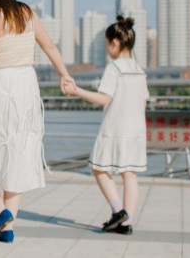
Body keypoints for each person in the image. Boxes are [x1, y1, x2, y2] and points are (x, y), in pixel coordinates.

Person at [0, 0, 74, 244]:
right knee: (18, 152)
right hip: (28, 85)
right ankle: (8, 227)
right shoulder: (26, 12)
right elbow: (50, 46)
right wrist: (65, 74)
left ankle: (1, 211)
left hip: (3, 85)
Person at [62, 16, 148, 235]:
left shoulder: (114, 68)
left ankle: (118, 211)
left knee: (98, 168)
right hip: (136, 130)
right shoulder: (139, 70)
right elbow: (143, 101)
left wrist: (76, 91)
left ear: (114, 43)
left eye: (106, 44)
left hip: (114, 129)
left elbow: (103, 98)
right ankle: (126, 223)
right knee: (130, 175)